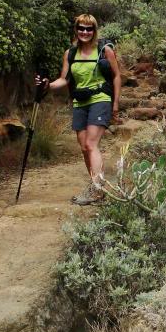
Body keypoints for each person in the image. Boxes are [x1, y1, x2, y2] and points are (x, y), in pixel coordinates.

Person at [35, 14, 121, 205]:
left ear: (94, 31)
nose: (85, 32)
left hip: (100, 98)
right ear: (76, 29)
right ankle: (95, 186)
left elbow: (116, 76)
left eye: (89, 29)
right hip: (80, 102)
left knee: (91, 144)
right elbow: (64, 80)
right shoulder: (70, 53)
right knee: (84, 147)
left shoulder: (104, 51)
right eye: (81, 28)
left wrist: (115, 104)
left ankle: (97, 190)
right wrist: (47, 85)